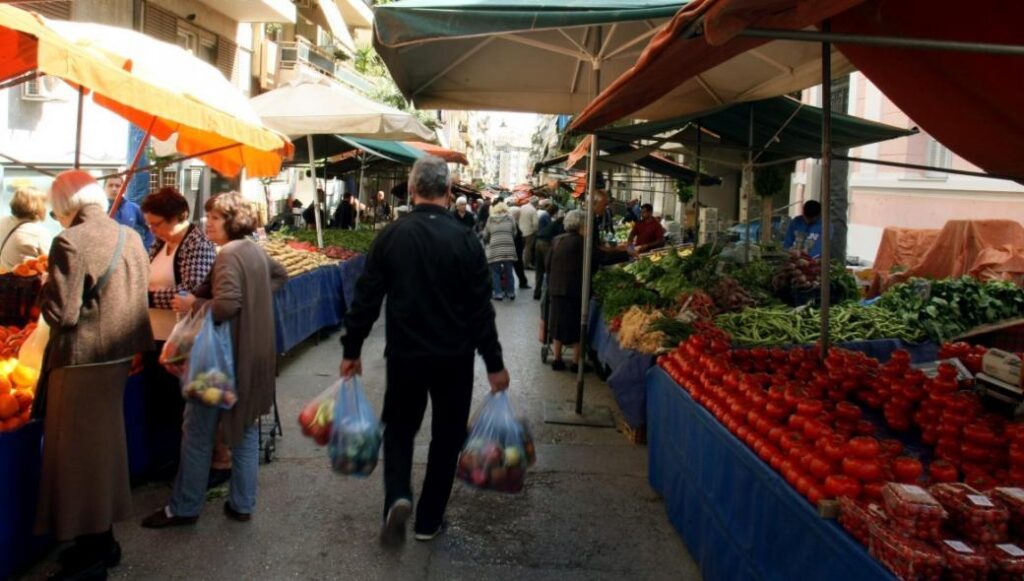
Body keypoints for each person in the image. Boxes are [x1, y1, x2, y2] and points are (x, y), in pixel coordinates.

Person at [339, 155, 509, 545]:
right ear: (449, 193)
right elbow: (481, 309)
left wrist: (352, 350)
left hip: (405, 356)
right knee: (447, 438)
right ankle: (429, 521)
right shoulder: (466, 239)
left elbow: (365, 299)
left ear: (412, 191)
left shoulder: (391, 236)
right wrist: (495, 365)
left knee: (399, 430)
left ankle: (398, 495)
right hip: (455, 358)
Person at [34, 170, 154, 580]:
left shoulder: (69, 241)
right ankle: (101, 542)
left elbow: (62, 314)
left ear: (66, 203)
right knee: (103, 453)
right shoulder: (131, 236)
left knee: (76, 459)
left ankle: (92, 555)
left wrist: (43, 287)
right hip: (117, 359)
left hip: (81, 361)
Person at [142, 192, 287, 529]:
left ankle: (184, 508)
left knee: (196, 434)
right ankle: (242, 504)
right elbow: (280, 276)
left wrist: (194, 304)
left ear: (233, 221)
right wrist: (256, 303)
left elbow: (226, 305)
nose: (207, 223)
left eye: (215, 218)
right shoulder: (253, 250)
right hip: (252, 357)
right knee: (245, 431)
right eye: (207, 217)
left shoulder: (228, 256)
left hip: (220, 361)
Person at [139, 187, 217, 479]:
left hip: (181, 342)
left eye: (157, 223)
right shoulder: (160, 243)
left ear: (179, 217)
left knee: (177, 407)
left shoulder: (196, 243)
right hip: (155, 336)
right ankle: (163, 462)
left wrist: (146, 296)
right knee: (159, 405)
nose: (152, 229)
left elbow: (191, 293)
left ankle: (181, 466)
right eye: (149, 224)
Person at [545, 210, 586, 372]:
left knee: (557, 324)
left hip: (557, 288)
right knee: (577, 326)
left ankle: (557, 359)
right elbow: (598, 258)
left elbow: (548, 263)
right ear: (581, 224)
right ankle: (576, 363)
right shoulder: (583, 242)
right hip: (576, 290)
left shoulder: (556, 240)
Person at [0, 186, 52, 270]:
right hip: (23, 280)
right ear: (38, 207)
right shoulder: (38, 232)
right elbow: (50, 263)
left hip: (3, 278)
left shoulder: (2, 221)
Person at [105, 172, 154, 251]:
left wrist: (146, 247)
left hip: (128, 253)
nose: (114, 189)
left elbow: (151, 226)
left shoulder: (133, 208)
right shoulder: (99, 209)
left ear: (124, 189)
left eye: (117, 186)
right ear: (104, 188)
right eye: (110, 185)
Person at [483, 201, 519, 300]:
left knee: (495, 272)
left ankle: (498, 294)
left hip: (495, 248)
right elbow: (514, 232)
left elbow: (486, 234)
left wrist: (489, 239)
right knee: (509, 272)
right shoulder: (510, 218)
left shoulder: (490, 219)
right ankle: (511, 293)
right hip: (508, 247)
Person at [532, 199, 563, 301]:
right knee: (548, 268)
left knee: (539, 269)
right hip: (545, 244)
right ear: (554, 211)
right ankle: (548, 293)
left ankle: (537, 292)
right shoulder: (547, 217)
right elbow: (553, 232)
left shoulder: (545, 216)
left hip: (538, 242)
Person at [507, 205, 531, 291]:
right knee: (517, 266)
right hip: (515, 249)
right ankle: (522, 282)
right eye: (518, 214)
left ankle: (522, 282)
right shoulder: (513, 223)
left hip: (514, 249)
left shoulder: (512, 222)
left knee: (514, 267)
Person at [519, 198, 539, 269]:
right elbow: (535, 223)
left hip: (521, 230)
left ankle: (520, 262)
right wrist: (535, 231)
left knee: (521, 248)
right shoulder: (533, 210)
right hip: (529, 232)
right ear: (536, 203)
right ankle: (526, 264)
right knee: (528, 248)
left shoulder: (522, 207)